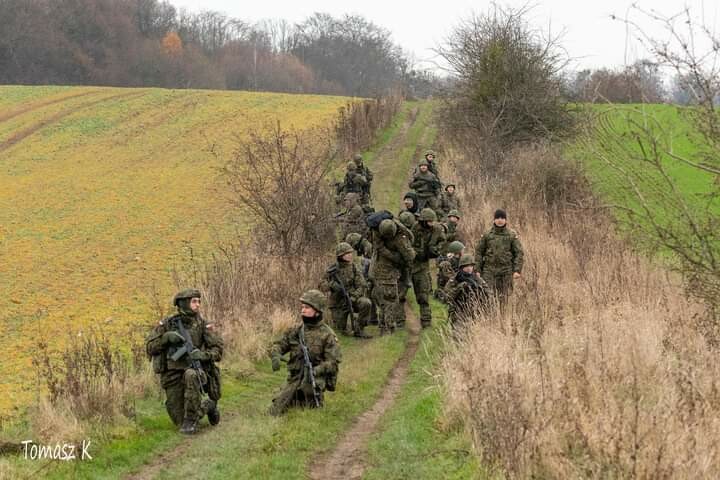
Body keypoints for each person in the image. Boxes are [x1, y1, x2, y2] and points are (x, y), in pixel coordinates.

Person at [146, 289, 223, 434]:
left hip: (196, 371)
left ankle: (191, 420)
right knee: (178, 420)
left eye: (199, 301)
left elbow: (218, 350)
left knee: (190, 375)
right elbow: (150, 348)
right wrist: (166, 338)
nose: (198, 304)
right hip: (172, 374)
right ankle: (208, 406)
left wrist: (202, 355)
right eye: (194, 301)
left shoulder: (203, 325)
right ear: (183, 303)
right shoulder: (168, 324)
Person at [269, 290, 341, 416]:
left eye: (307, 307)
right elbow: (279, 344)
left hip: (313, 381)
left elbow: (333, 363)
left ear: (317, 311)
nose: (303, 310)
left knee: (309, 411)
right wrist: (275, 353)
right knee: (275, 411)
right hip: (295, 379)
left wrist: (316, 370)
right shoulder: (296, 330)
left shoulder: (327, 335)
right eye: (302, 307)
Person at [369, 218, 415, 334]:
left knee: (386, 300)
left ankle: (384, 328)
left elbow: (410, 256)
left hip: (382, 271)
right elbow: (379, 247)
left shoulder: (401, 237)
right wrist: (395, 258)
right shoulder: (377, 229)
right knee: (388, 300)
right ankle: (388, 328)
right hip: (383, 271)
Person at [320, 242, 373, 338]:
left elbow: (361, 286)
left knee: (366, 303)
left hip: (352, 298)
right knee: (341, 330)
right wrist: (332, 285)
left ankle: (359, 329)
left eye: (350, 253)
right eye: (347, 253)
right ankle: (347, 327)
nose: (350, 255)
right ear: (341, 255)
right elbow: (321, 286)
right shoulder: (332, 269)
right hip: (338, 303)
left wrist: (354, 297)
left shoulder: (354, 267)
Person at [475, 209, 524, 303]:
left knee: (504, 297)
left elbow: (519, 253)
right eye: (497, 218)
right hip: (489, 270)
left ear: (506, 220)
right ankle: (489, 315)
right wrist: (477, 269)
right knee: (487, 295)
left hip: (506, 271)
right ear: (494, 220)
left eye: (502, 218)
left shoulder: (511, 235)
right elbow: (479, 252)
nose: (500, 220)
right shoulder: (487, 235)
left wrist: (517, 270)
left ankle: (502, 316)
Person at [410, 208, 445, 328]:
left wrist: (436, 250)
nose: (431, 223)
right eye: (429, 221)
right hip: (410, 264)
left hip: (423, 265)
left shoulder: (436, 230)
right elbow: (408, 244)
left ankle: (426, 321)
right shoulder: (415, 228)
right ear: (423, 221)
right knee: (400, 294)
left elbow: (442, 241)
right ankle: (398, 321)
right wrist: (415, 252)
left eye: (432, 221)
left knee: (423, 294)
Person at [444, 255, 490, 333]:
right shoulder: (455, 279)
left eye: (471, 266)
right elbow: (447, 296)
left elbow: (488, 292)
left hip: (475, 311)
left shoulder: (476, 278)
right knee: (459, 336)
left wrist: (479, 291)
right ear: (461, 267)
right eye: (466, 266)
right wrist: (459, 287)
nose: (469, 268)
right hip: (459, 311)